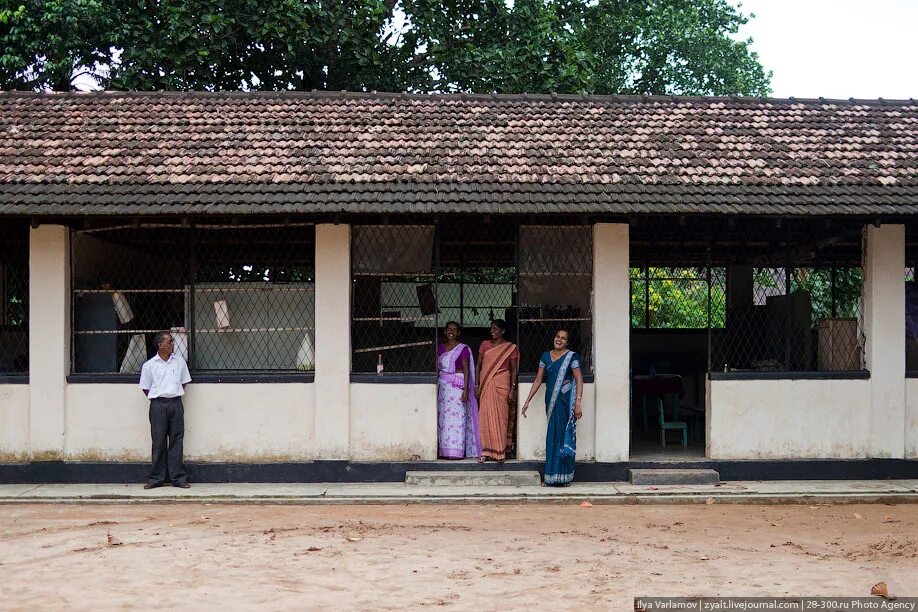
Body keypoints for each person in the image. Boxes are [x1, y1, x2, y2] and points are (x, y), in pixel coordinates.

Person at [522, 329, 584, 486]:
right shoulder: (545, 356)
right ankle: (551, 477)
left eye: (563, 338)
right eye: (557, 336)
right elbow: (538, 380)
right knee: (552, 437)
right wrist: (527, 401)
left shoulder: (571, 357)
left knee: (563, 437)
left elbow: (579, 380)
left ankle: (564, 478)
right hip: (551, 402)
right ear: (553, 338)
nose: (559, 340)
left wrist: (577, 403)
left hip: (565, 403)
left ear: (567, 342)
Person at [139, 331, 192, 489]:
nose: (172, 345)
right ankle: (156, 478)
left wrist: (172, 395)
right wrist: (159, 398)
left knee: (177, 440)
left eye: (172, 342)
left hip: (176, 403)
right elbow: (146, 388)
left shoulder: (180, 362)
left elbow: (184, 382)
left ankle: (178, 478)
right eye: (169, 342)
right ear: (160, 344)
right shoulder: (149, 365)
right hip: (158, 405)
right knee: (158, 442)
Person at [476, 319, 519, 462]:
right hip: (486, 385)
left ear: (503, 331)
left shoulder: (511, 348)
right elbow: (478, 366)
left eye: (495, 329)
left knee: (501, 417)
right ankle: (486, 452)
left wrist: (513, 388)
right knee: (485, 417)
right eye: (491, 329)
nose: (492, 331)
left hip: (503, 383)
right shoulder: (485, 345)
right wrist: (476, 385)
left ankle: (500, 452)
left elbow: (514, 370)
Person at [437, 322, 481, 459]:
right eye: (449, 329)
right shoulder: (440, 348)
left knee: (457, 420)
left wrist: (467, 390)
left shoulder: (463, 349)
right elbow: (436, 369)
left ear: (458, 333)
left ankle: (457, 452)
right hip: (444, 389)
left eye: (455, 330)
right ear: (445, 331)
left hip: (458, 389)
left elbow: (466, 370)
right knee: (443, 420)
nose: (452, 332)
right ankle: (445, 452)